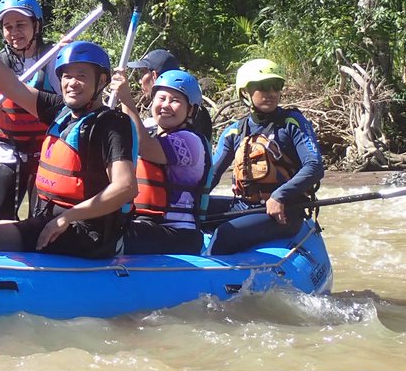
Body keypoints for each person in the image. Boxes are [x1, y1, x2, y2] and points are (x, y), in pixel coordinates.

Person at [0, 17, 136, 259]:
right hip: (51, 220)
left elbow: (125, 188)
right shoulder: (60, 110)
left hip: (86, 231)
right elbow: (11, 86)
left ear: (101, 81)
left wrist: (68, 217)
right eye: (66, 76)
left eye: (81, 76)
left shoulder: (112, 123)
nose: (72, 83)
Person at [206, 59, 324, 255]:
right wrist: (189, 202)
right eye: (262, 87)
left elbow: (314, 166)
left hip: (286, 210)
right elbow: (212, 175)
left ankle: (209, 278)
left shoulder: (292, 123)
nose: (271, 93)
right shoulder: (234, 131)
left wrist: (280, 195)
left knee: (226, 234)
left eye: (276, 86)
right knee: (190, 212)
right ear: (244, 92)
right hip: (246, 205)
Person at [0, 0, 56, 220]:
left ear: (36, 25)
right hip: (10, 151)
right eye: (8, 27)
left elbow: (64, 103)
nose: (14, 32)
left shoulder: (52, 59)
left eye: (21, 24)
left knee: (41, 219)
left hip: (45, 152)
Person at [109, 68, 211, 254]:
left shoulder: (190, 142)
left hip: (178, 234)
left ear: (191, 109)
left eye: (175, 100)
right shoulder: (153, 132)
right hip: (148, 223)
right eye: (161, 98)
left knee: (113, 233)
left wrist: (126, 99)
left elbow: (143, 146)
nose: (166, 105)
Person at [126, 48, 213, 141]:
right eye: (162, 99)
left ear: (154, 76)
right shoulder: (195, 112)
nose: (140, 81)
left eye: (142, 73)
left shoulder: (190, 134)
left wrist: (125, 98)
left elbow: (142, 144)